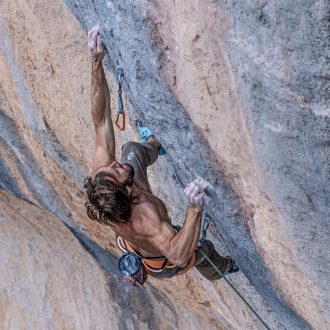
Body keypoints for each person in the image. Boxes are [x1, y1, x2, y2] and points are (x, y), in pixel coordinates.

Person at [84, 25, 239, 286]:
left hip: (133, 234)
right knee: (200, 251)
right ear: (128, 191)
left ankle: (156, 143)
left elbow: (100, 120)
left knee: (132, 151)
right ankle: (223, 268)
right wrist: (194, 208)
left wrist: (96, 62)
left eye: (110, 168)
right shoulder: (146, 219)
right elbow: (178, 255)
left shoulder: (104, 178)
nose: (113, 164)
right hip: (161, 261)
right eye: (116, 171)